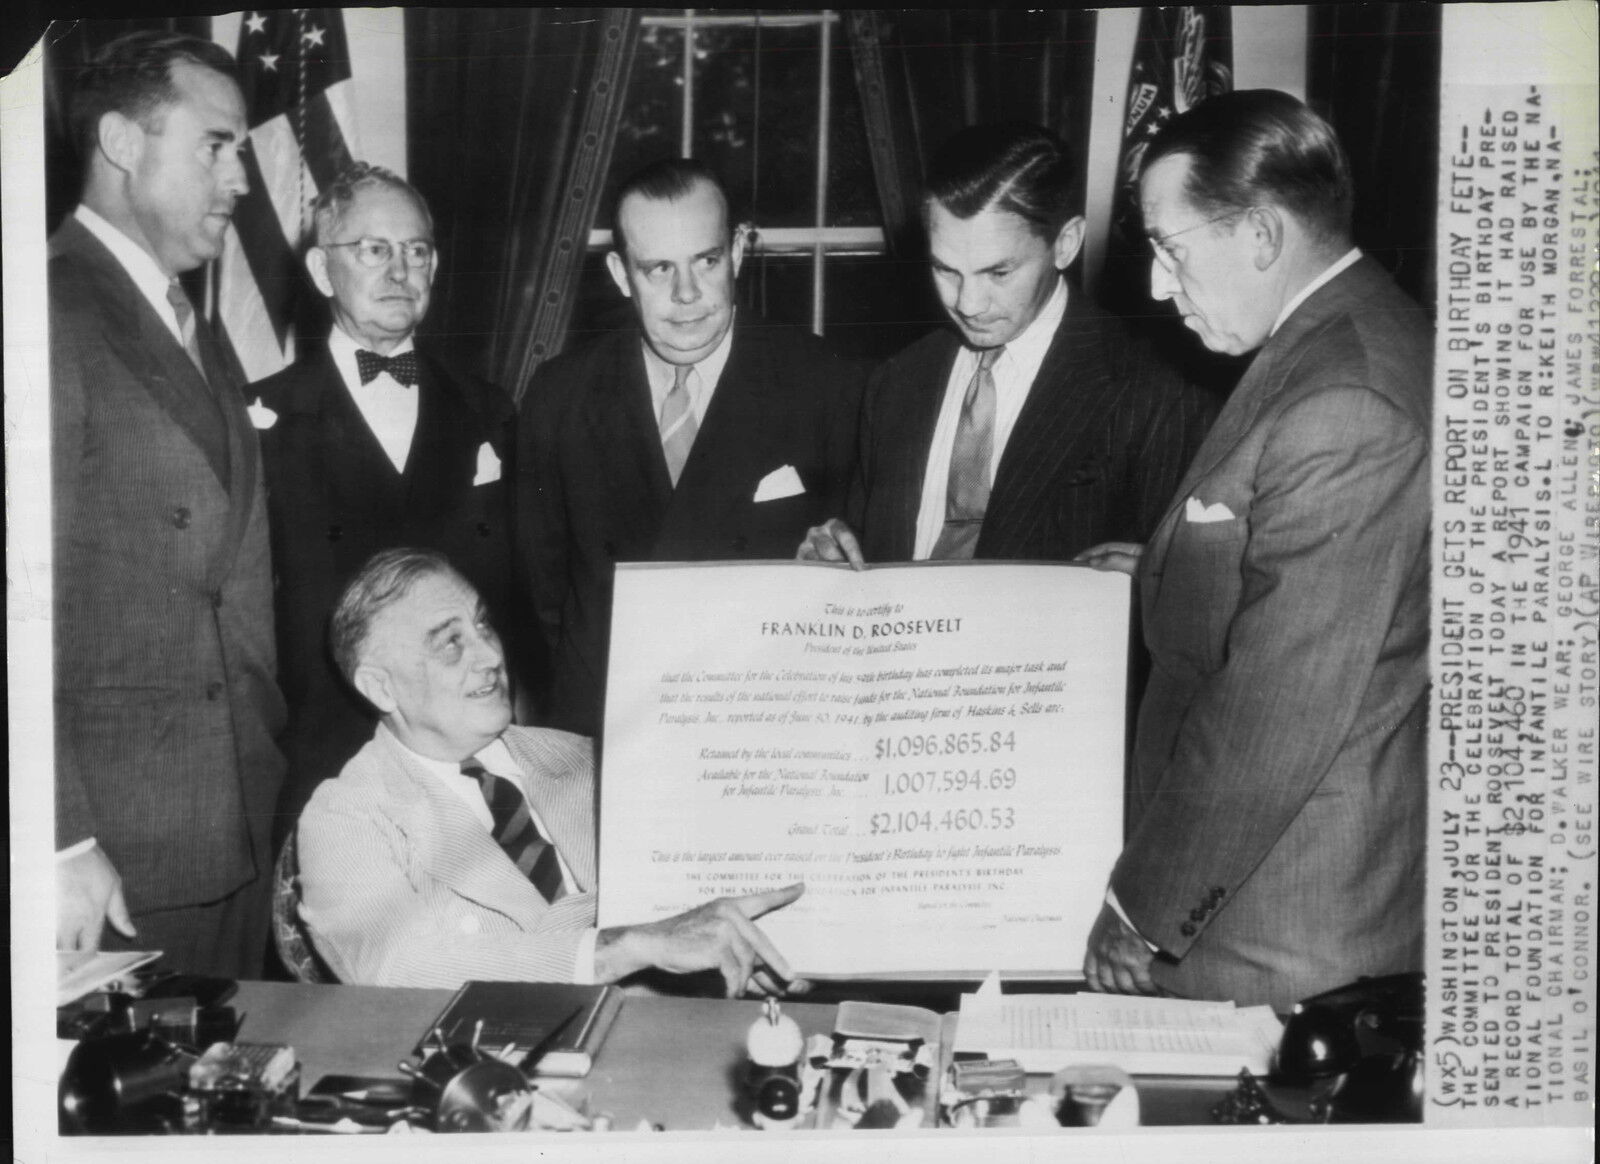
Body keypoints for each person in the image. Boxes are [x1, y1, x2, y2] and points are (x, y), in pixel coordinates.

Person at [1079, 90, 1430, 1011]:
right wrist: (1165, 580)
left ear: (1262, 236)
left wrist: (1141, 907)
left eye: (1169, 248)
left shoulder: (1342, 401)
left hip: (1286, 930)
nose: (1159, 284)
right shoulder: (1358, 340)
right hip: (1291, 905)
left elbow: (1278, 706)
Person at [296, 548, 808, 995]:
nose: (491, 655)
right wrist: (619, 948)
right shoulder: (345, 816)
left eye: (482, 625)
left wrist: (815, 593)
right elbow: (398, 969)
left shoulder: (585, 758)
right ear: (380, 688)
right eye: (450, 643)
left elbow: (725, 850)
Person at [51, 31, 286, 976]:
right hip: (116, 851)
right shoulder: (46, 310)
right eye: (215, 146)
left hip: (231, 823)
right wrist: (60, 839)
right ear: (120, 141)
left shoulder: (183, 316)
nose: (240, 179)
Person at [519, 158, 864, 738]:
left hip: (766, 733)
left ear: (737, 252)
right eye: (657, 269)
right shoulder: (560, 398)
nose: (686, 295)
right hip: (610, 730)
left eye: (705, 261)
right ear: (620, 274)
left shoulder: (829, 383)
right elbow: (543, 599)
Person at [798, 122, 1214, 568]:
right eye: (946, 270)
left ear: (1066, 244)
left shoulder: (1154, 389)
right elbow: (872, 560)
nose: (967, 304)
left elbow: (1179, 595)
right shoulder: (895, 383)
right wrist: (834, 559)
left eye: (998, 273)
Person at [254, 163, 525, 844]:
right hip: (322, 770)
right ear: (322, 270)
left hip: (468, 770)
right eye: (374, 249)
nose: (400, 271)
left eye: (417, 251)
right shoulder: (260, 418)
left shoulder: (489, 410)